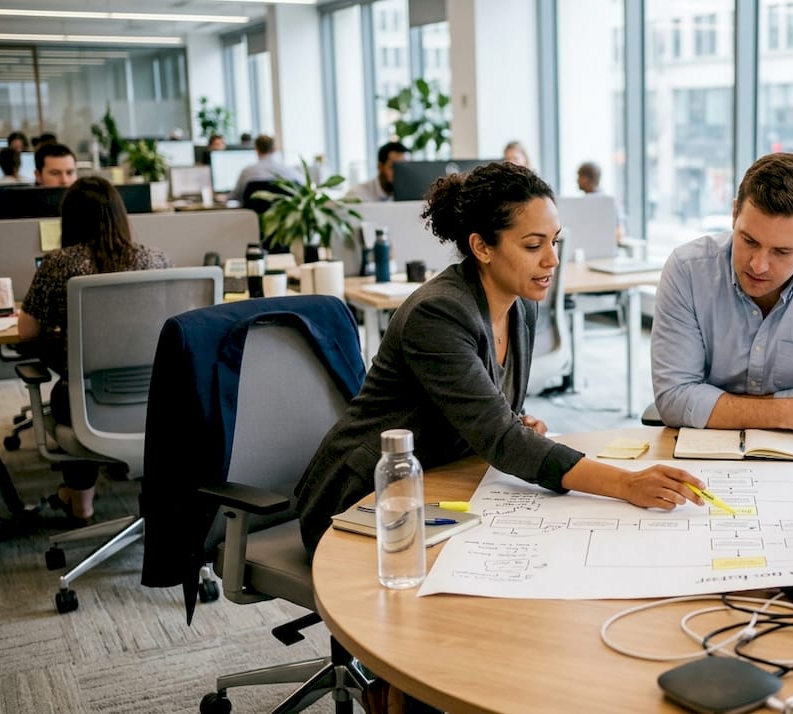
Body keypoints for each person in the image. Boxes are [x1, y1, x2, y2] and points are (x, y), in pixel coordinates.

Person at [295, 161, 704, 554]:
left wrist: (513, 421)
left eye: (555, 241)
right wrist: (626, 484)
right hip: (365, 496)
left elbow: (493, 420)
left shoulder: (520, 305)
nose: (552, 259)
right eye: (533, 245)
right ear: (481, 247)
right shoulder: (437, 314)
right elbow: (503, 441)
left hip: (444, 479)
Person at [650, 152, 793, 438]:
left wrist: (713, 405)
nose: (758, 265)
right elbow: (673, 400)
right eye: (749, 240)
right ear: (734, 214)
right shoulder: (687, 270)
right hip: (705, 451)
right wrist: (791, 411)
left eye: (781, 251)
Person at [16, 177, 173, 526]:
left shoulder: (59, 264)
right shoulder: (156, 259)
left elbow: (26, 331)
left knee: (77, 390)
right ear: (120, 215)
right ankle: (158, 506)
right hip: (155, 401)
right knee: (91, 390)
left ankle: (81, 507)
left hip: (87, 404)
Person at [229, 134, 301, 202]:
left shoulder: (247, 172)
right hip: (281, 211)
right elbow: (302, 188)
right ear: (274, 149)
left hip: (253, 211)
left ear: (257, 150)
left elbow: (235, 196)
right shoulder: (288, 171)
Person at [576, 160, 626, 242]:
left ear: (586, 179)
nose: (577, 180)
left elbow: (619, 233)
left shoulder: (608, 203)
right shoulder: (610, 203)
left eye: (579, 176)